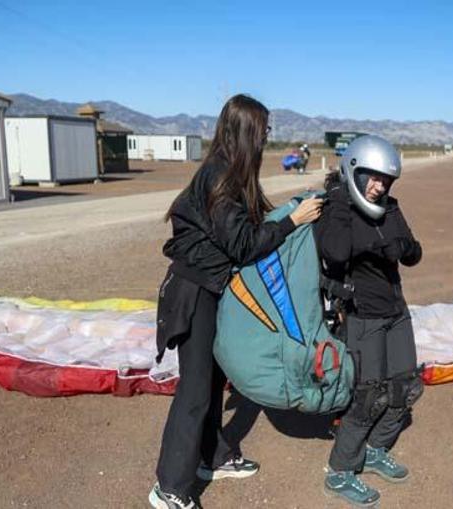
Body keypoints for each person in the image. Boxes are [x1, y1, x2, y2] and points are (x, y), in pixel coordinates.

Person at [150, 94, 323, 509]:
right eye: (263, 130)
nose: (267, 137)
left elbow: (252, 224)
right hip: (192, 294)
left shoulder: (231, 173)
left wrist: (294, 209)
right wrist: (292, 222)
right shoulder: (220, 177)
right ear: (247, 131)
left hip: (209, 290)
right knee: (194, 390)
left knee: (211, 381)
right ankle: (169, 487)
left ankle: (213, 456)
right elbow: (245, 244)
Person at [314, 135, 423, 507]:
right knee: (368, 397)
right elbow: (334, 251)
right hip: (362, 316)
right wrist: (368, 239)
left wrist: (402, 248)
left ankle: (375, 450)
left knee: (406, 387)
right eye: (373, 178)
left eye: (386, 180)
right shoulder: (338, 205)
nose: (379, 187)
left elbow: (414, 252)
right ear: (355, 171)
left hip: (396, 310)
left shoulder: (390, 207)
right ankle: (341, 471)